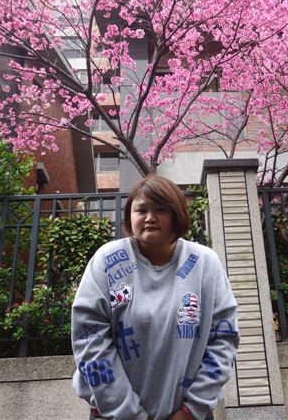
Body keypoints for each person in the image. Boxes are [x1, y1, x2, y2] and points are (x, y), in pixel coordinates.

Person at [71, 175, 239, 420]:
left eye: (160, 210)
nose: (149, 218)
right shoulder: (107, 260)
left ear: (176, 214)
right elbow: (90, 340)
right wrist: (128, 413)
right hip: (113, 415)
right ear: (130, 216)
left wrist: (191, 410)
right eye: (141, 210)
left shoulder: (204, 263)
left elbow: (224, 339)